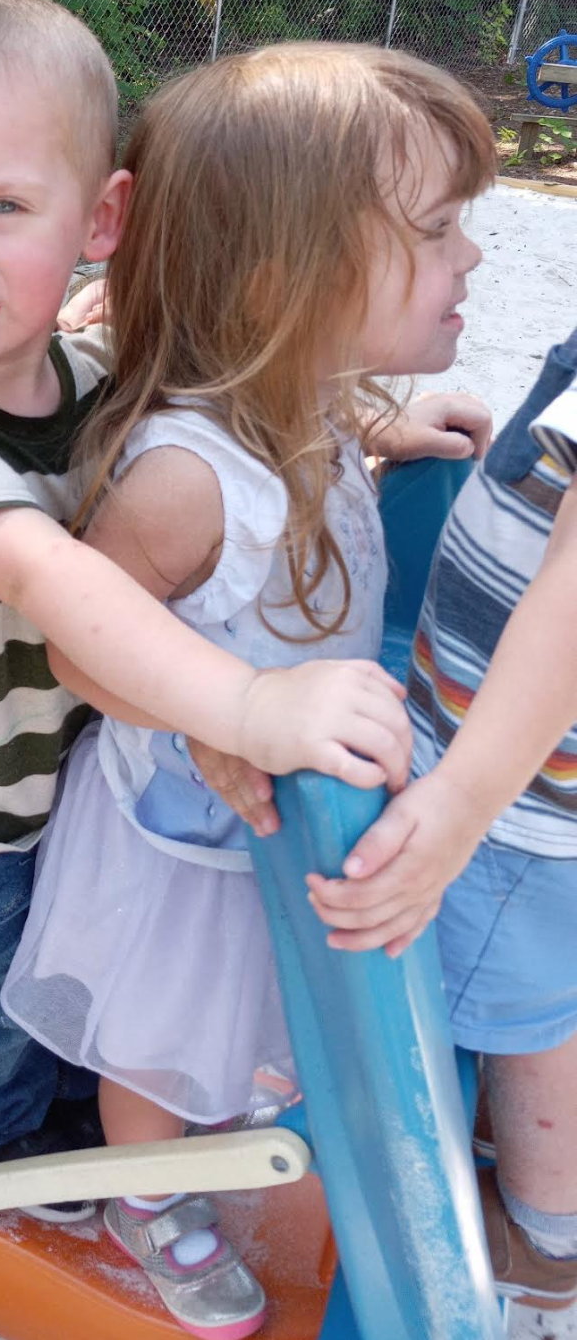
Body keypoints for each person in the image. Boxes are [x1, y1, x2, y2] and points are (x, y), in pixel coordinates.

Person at [0, 0, 418, 1225]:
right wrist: (245, 702)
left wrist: (370, 423)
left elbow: (225, 391)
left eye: (1, 207)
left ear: (99, 219)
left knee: (60, 976)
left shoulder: (86, 368)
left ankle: (57, 1105)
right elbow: (43, 574)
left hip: (58, 784)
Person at [0, 41, 496, 1336]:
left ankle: (204, 1129)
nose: (473, 259)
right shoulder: (186, 477)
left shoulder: (300, 394)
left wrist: (387, 426)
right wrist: (224, 707)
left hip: (273, 823)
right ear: (289, 286)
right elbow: (76, 640)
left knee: (248, 1005)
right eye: (439, 230)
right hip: (185, 836)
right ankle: (146, 1191)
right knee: (160, 1029)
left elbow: (311, 408)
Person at [307, 328, 577, 1311]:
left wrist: (463, 798)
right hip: (513, 756)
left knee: (523, 1008)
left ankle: (546, 1229)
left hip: (517, 792)